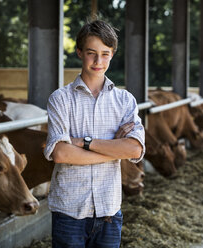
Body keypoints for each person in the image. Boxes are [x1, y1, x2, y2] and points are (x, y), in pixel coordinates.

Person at [43, 19, 145, 248]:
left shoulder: (125, 101)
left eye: (105, 53)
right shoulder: (60, 99)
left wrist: (83, 143)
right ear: (79, 52)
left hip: (109, 211)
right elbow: (60, 153)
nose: (98, 61)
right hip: (69, 211)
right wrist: (113, 150)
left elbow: (134, 149)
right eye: (91, 53)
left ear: (112, 53)